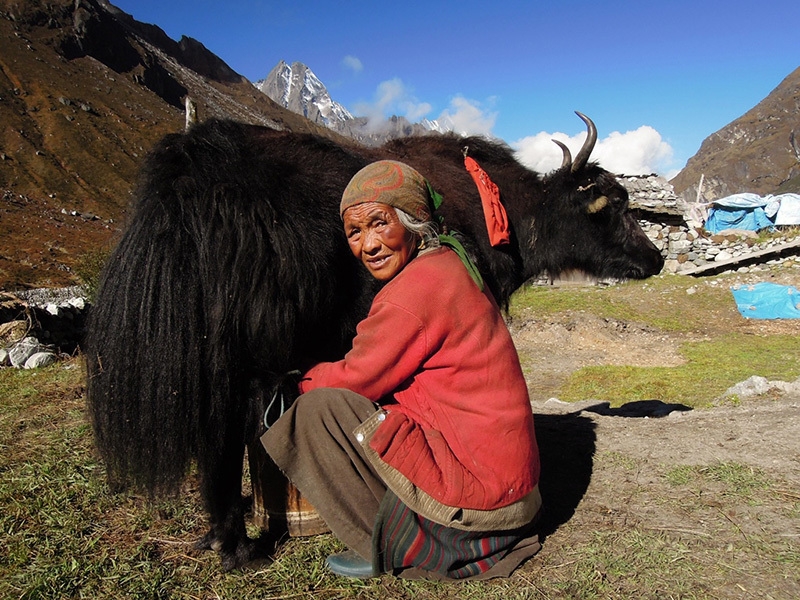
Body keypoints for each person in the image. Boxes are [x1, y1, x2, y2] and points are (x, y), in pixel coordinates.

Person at [261, 159, 541, 580]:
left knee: (317, 409)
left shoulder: (413, 291)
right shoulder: (451, 261)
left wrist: (300, 381)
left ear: (414, 221)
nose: (368, 245)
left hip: (482, 504)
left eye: (379, 223)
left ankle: (386, 542)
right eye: (355, 232)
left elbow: (356, 377)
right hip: (515, 490)